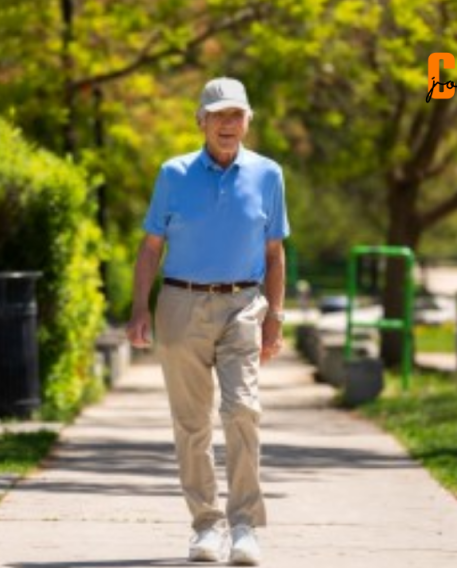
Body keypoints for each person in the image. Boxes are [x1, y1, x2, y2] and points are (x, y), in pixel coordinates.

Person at [126, 77, 288, 566]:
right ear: (200, 121)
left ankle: (243, 526)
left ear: (247, 122)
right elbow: (150, 248)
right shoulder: (173, 174)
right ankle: (206, 527)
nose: (227, 124)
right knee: (191, 422)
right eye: (217, 115)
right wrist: (138, 309)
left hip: (243, 305)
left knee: (242, 410)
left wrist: (275, 318)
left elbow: (275, 252)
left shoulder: (268, 175)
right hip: (180, 304)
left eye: (236, 115)